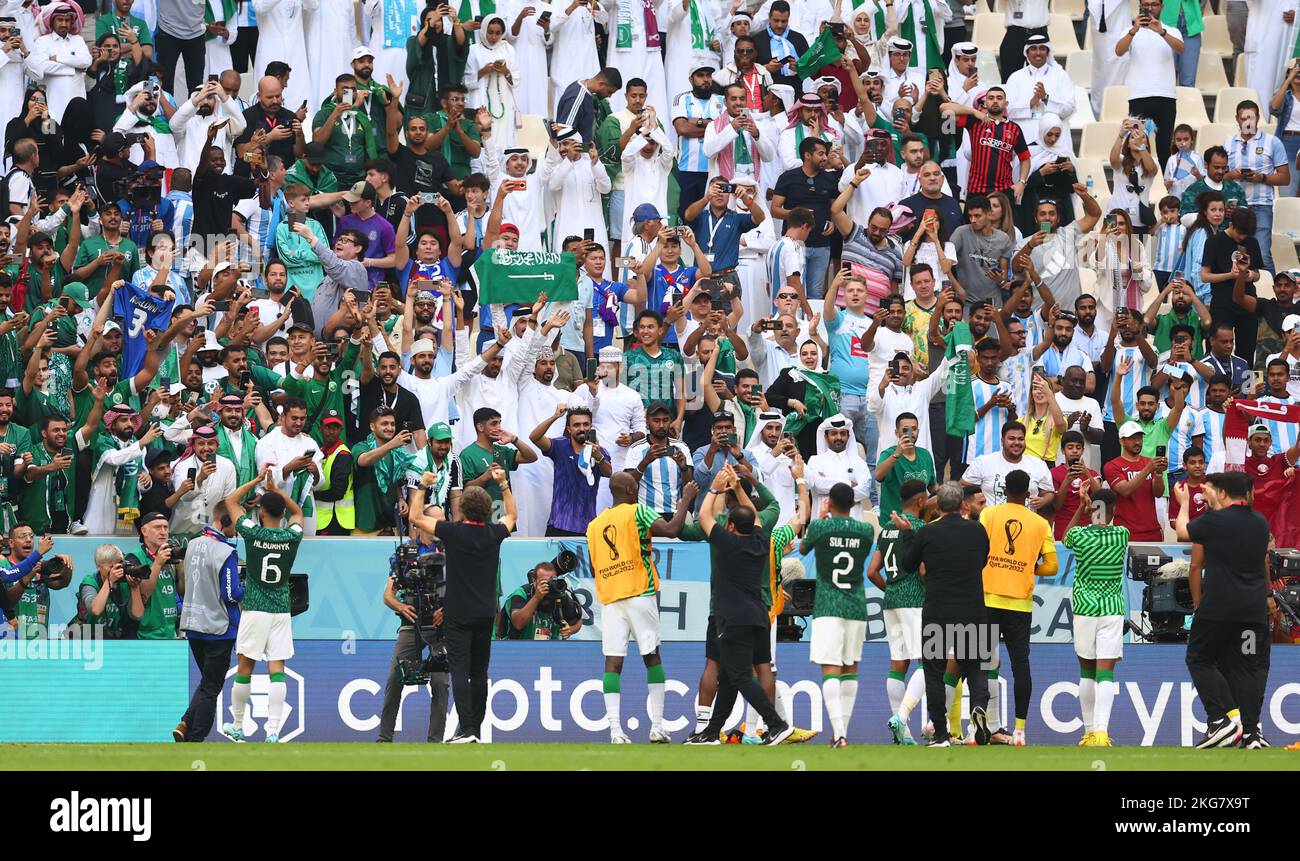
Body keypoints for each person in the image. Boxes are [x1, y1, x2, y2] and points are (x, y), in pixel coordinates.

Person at [684, 466, 794, 746]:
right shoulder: (760, 539)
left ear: (731, 526)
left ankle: (777, 724)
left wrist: (715, 488)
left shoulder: (726, 542)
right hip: (758, 617)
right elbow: (754, 516)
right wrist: (739, 488)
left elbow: (706, 516)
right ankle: (711, 732)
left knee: (741, 677)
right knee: (730, 677)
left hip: (733, 618)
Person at [587, 471, 696, 743]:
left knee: (612, 661)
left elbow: (594, 566)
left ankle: (615, 731)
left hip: (611, 597)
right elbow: (671, 531)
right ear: (631, 490)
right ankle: (657, 726)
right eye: (635, 487)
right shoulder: (638, 512)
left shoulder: (594, 525)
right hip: (639, 591)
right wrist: (686, 500)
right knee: (652, 656)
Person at [1173, 471, 1272, 749]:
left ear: (1224, 493)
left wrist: (1182, 503)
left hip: (1218, 608)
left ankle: (1225, 719)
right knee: (1246, 668)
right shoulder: (1260, 522)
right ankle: (1252, 733)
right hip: (1252, 612)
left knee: (1198, 658)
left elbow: (1182, 532)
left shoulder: (1215, 521)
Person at [894, 482, 993, 747]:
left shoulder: (927, 532)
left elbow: (908, 564)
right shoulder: (978, 530)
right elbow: (983, 560)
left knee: (934, 672)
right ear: (962, 504)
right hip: (973, 608)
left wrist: (907, 535)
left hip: (938, 609)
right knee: (975, 665)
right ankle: (979, 710)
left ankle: (940, 734)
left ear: (937, 505)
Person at [176, 471, 265, 742]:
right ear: (226, 523)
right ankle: (195, 738)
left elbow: (183, 582)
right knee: (212, 686)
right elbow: (231, 593)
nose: (237, 528)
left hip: (192, 625)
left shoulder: (192, 545)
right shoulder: (226, 551)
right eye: (235, 523)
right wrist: (252, 586)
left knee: (207, 682)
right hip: (218, 628)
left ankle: (184, 724)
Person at [218, 467, 304, 744]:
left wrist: (256, 482)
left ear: (262, 513)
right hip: (281, 609)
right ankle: (273, 731)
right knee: (276, 670)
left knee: (245, 667)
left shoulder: (253, 534)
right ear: (281, 514)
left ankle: (238, 725)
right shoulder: (291, 536)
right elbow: (299, 514)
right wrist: (277, 492)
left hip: (255, 607)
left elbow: (231, 501)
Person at [429, 478, 513, 744]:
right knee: (479, 673)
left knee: (459, 671)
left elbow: (418, 518)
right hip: (485, 613)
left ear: (462, 508)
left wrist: (420, 487)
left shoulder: (453, 532)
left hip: (457, 613)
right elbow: (512, 515)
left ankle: (466, 729)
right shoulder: (495, 533)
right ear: (488, 510)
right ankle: (474, 729)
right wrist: (504, 486)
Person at [978, 468, 1057, 745]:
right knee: (1020, 665)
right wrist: (1029, 568)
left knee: (985, 663)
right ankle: (1020, 731)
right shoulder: (1040, 524)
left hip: (988, 597)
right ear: (1028, 494)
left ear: (1004, 491)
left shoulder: (989, 514)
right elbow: (1052, 565)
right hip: (1019, 604)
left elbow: (977, 548)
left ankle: (988, 725)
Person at [798, 480, 874, 748]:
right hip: (855, 604)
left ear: (828, 502)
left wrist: (819, 518)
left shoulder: (820, 527)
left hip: (828, 604)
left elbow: (804, 548)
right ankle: (843, 732)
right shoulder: (865, 531)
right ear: (854, 503)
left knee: (831, 667)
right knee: (850, 666)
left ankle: (839, 734)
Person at [1062, 485, 1128, 747]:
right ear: (1114, 511)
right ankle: (1101, 732)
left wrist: (1081, 507)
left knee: (1086, 671)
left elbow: (1065, 537)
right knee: (1105, 674)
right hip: (1111, 609)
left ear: (1092, 510)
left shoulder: (1079, 535)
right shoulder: (1122, 534)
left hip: (1084, 609)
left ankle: (1089, 732)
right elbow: (1107, 517)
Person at [864, 479, 928, 745]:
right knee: (928, 661)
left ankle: (903, 732)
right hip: (915, 600)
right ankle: (902, 717)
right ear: (921, 501)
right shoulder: (920, 528)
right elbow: (923, 570)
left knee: (898, 664)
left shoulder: (887, 528)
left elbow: (871, 571)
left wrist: (890, 589)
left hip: (891, 601)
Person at [1225, 99, 1290, 274]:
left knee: (1262, 255)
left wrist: (1261, 177)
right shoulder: (1228, 143)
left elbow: (1285, 178)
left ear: (1258, 118)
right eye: (1243, 117)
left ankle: (1271, 297)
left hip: (1261, 204)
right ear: (1237, 119)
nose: (1247, 122)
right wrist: (1233, 175)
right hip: (1236, 207)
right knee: (1233, 256)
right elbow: (1220, 176)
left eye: (1251, 117)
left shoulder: (1272, 142)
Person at [1115, 0, 1182, 160]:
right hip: (1139, 97)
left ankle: (1168, 184)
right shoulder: (1130, 30)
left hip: (1166, 97)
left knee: (1164, 148)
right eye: (1145, 5)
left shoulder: (1171, 30)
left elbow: (1180, 49)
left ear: (1162, 6)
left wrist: (1161, 31)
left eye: (1154, 4)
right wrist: (1134, 30)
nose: (1149, 8)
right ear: (1139, 6)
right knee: (1136, 147)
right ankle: (1136, 185)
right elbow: (1118, 51)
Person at [1103, 419, 1167, 541]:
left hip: (1152, 530)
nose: (1137, 442)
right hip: (1125, 532)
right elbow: (1125, 490)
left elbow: (1158, 493)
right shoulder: (1112, 466)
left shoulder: (1148, 462)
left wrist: (1158, 473)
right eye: (1132, 438)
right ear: (1121, 441)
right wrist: (1147, 469)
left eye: (1139, 438)